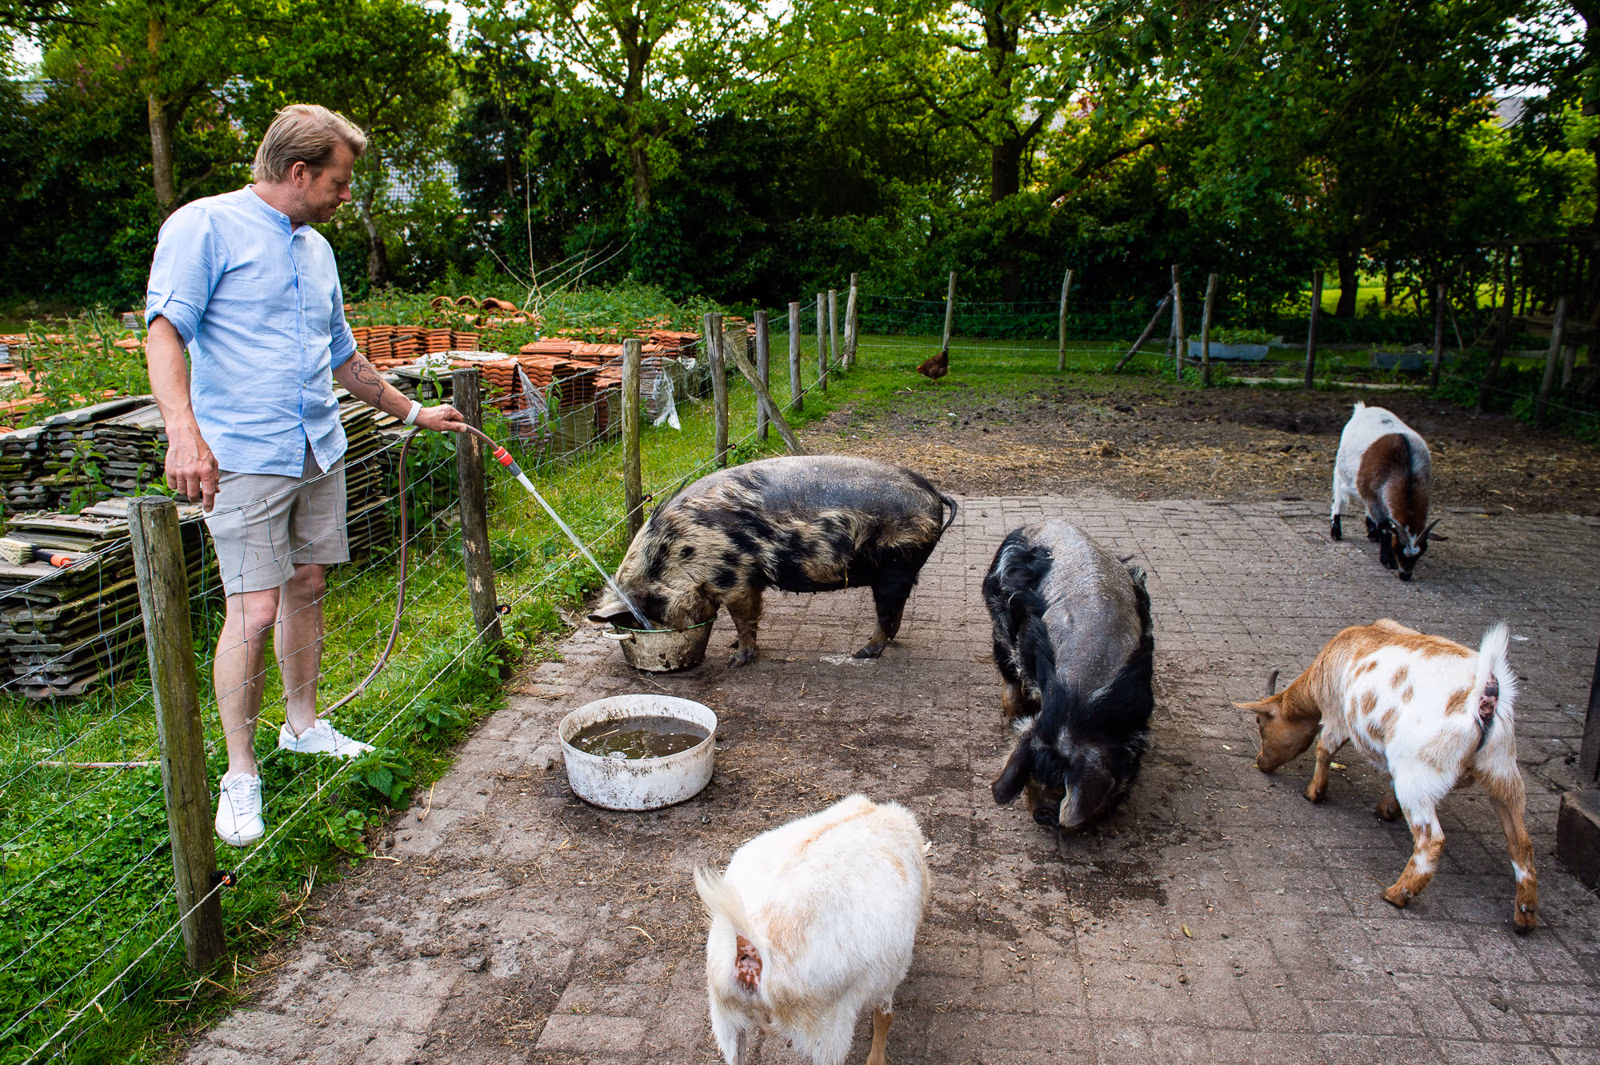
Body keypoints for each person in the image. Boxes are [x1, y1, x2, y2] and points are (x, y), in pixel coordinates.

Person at [145, 104, 468, 847]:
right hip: (247, 455)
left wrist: (413, 412)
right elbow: (165, 332)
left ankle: (302, 725)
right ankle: (240, 772)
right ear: (299, 173)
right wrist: (183, 433)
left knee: (309, 586)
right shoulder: (204, 227)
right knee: (252, 612)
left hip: (315, 447)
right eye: (339, 179)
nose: (346, 194)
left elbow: (342, 355)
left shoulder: (316, 248)